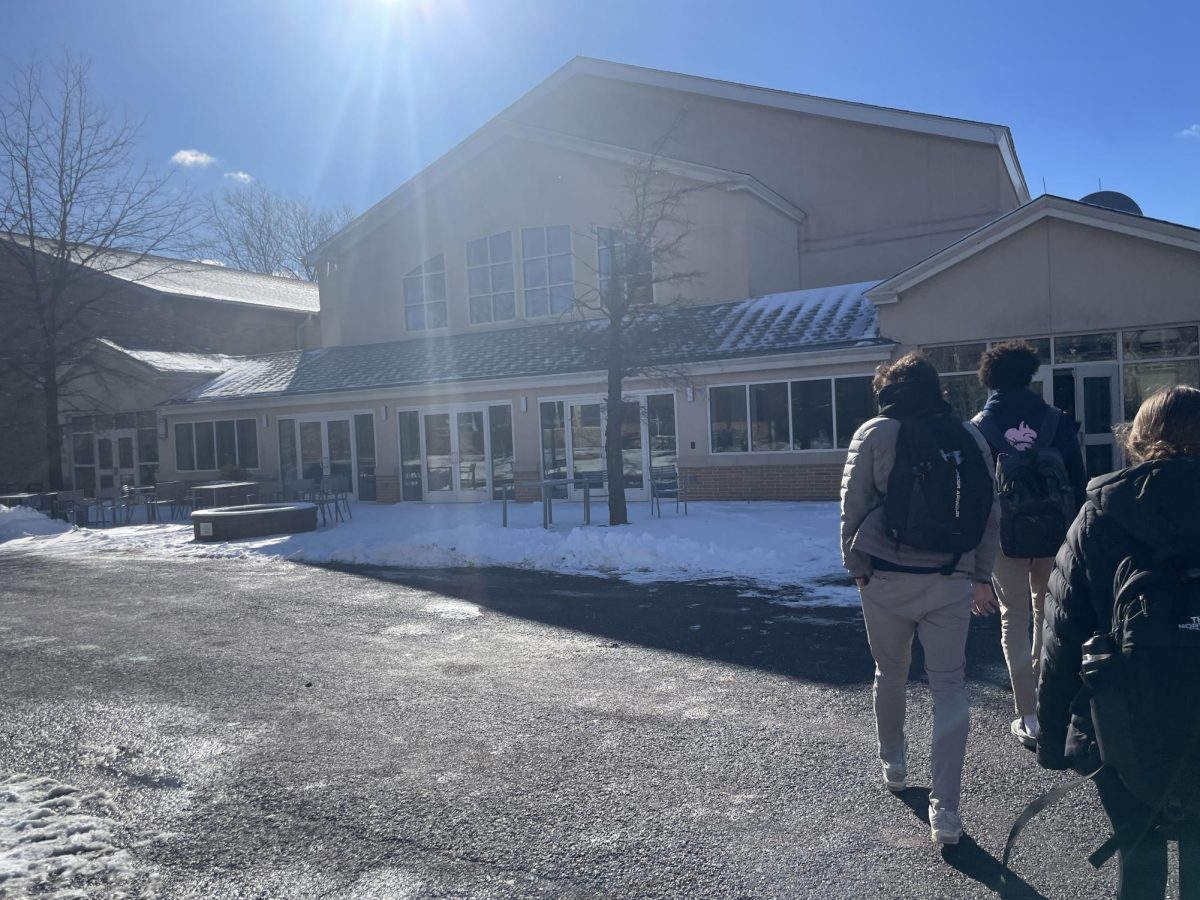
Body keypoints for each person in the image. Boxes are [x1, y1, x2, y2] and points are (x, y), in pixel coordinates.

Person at [1038, 385, 1200, 899]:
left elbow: (1061, 633)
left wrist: (1052, 737)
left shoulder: (1101, 514)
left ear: (1139, 437)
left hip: (1121, 726)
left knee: (1139, 858)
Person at [841, 352, 1000, 846]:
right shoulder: (969, 436)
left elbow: (853, 505)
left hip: (886, 580)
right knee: (949, 686)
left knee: (889, 671)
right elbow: (989, 512)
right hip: (949, 578)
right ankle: (945, 809)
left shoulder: (874, 433)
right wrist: (980, 576)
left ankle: (893, 761)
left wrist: (857, 567)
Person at [972, 341, 1086, 749]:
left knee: (1013, 616)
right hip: (1054, 534)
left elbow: (974, 495)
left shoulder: (980, 426)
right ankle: (1045, 695)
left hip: (1003, 537)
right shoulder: (1056, 420)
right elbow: (1078, 481)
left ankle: (1028, 714)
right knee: (1045, 612)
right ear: (1030, 374)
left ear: (988, 378)